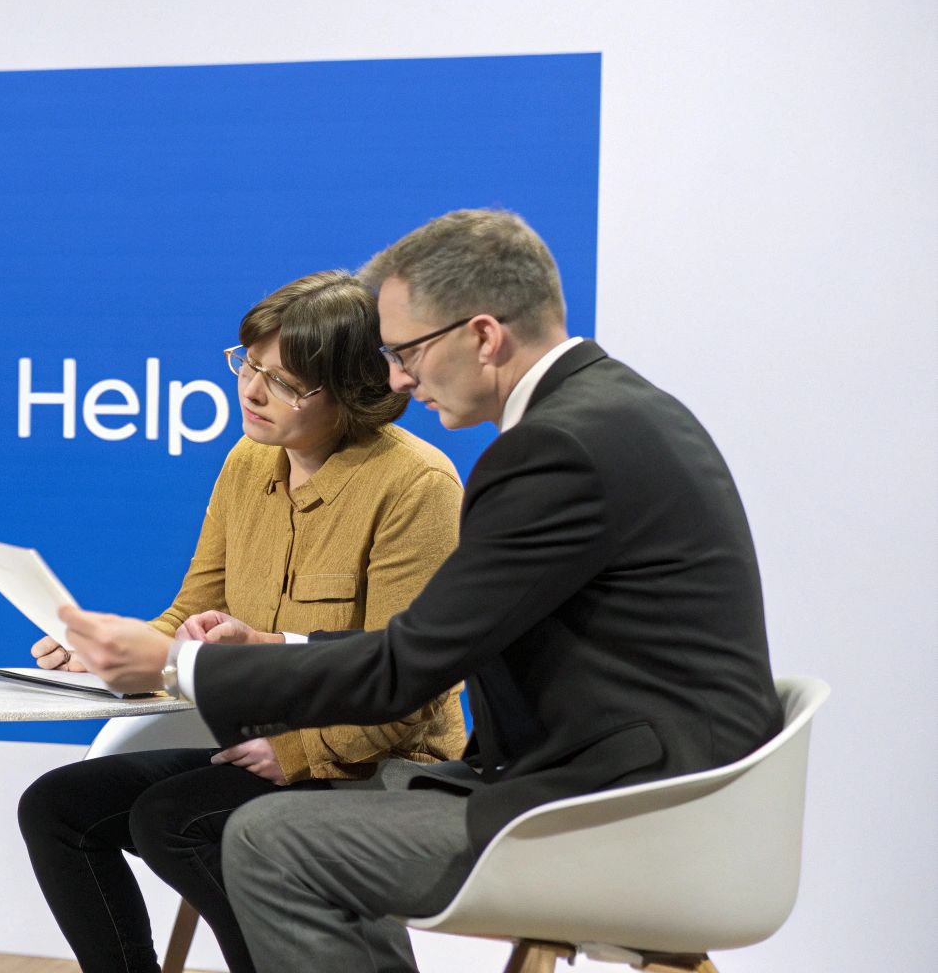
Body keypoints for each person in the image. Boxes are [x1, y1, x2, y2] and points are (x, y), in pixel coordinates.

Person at [60, 209, 783, 973]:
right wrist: (270, 646)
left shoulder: (554, 450)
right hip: (644, 791)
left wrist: (180, 667)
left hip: (628, 815)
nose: (398, 379)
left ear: (482, 335)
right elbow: (429, 643)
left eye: (407, 352)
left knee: (269, 841)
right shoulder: (614, 412)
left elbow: (409, 669)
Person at [17, 271, 468, 973]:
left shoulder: (416, 487)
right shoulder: (247, 460)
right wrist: (113, 651)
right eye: (248, 366)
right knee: (58, 807)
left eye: (285, 382)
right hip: (256, 741)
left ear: (353, 388)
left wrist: (298, 752)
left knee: (175, 823)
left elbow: (411, 688)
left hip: (378, 763)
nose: (252, 392)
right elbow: (191, 612)